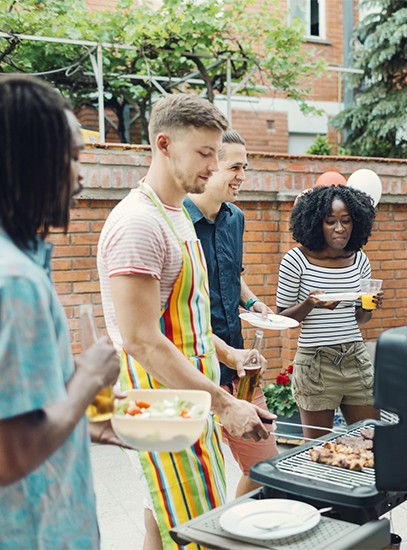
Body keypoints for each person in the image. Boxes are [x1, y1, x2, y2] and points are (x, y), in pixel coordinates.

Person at [97, 94, 275, 550]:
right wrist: (223, 404)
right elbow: (140, 339)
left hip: (188, 396)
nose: (215, 166)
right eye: (204, 153)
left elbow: (186, 322)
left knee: (167, 513)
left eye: (217, 154)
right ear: (163, 144)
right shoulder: (139, 223)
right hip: (161, 402)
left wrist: (227, 358)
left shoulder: (174, 214)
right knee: (200, 532)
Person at [0, 75, 120, 548]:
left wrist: (83, 425)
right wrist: (89, 378)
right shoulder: (15, 281)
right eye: (72, 157)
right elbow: (9, 452)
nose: (81, 174)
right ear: (31, 160)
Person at [183, 129, 278, 497]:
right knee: (198, 486)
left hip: (242, 370)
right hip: (196, 371)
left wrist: (253, 303)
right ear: (209, 167)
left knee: (267, 468)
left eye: (246, 167)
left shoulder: (235, 217)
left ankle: (232, 528)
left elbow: (232, 274)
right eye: (235, 166)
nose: (242, 175)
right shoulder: (177, 224)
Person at [276, 184, 382, 440]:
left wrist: (369, 305)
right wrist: (310, 303)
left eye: (346, 221)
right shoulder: (295, 260)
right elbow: (282, 319)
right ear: (316, 223)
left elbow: (360, 319)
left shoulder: (359, 260)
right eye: (330, 221)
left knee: (373, 443)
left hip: (355, 357)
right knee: (319, 449)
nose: (340, 228)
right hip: (316, 363)